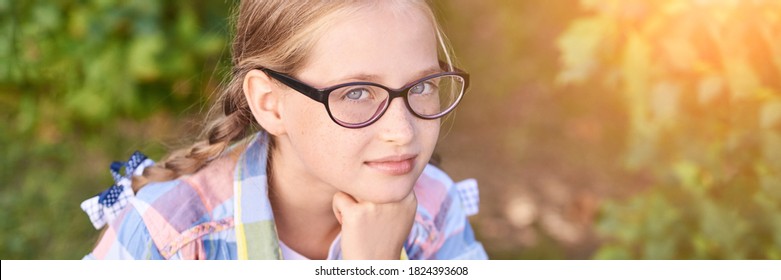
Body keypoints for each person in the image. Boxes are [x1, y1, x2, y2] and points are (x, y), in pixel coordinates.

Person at [80, 0, 487, 260]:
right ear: (270, 103)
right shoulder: (171, 238)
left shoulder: (434, 207)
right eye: (357, 92)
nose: (402, 131)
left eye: (421, 86)